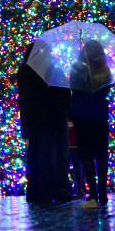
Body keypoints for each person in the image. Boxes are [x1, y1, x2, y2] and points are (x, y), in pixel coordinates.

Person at [16, 44, 72, 203]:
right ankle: (48, 192)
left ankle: (35, 192)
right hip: (45, 120)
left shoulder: (24, 71)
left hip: (33, 121)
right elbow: (47, 93)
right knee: (47, 157)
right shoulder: (38, 72)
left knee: (36, 156)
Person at [70, 40, 115, 205]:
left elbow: (73, 89)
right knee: (101, 153)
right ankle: (103, 193)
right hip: (99, 113)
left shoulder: (77, 69)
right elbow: (105, 91)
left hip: (81, 113)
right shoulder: (106, 71)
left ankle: (93, 194)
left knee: (86, 153)